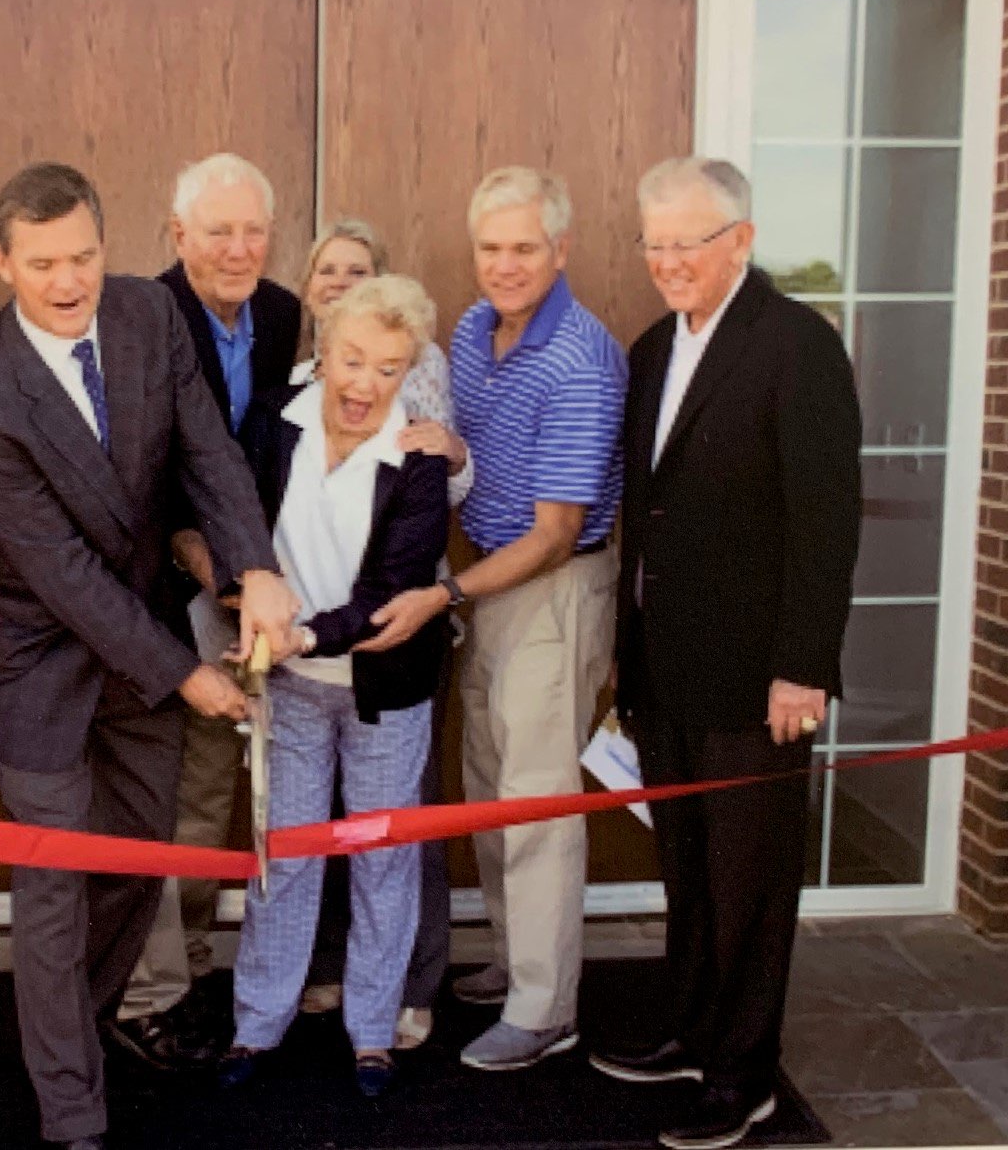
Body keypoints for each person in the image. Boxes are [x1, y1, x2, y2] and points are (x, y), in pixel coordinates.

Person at [0, 162, 298, 1150]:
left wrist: (254, 565)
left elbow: (206, 452)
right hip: (44, 667)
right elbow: (63, 578)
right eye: (44, 263)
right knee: (54, 897)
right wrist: (189, 674)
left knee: (138, 871)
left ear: (107, 245)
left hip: (139, 647)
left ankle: (74, 1038)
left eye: (84, 256)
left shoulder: (146, 314)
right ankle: (71, 1118)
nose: (68, 281)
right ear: (3, 262)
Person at [592, 157, 860, 1150]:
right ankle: (694, 1031)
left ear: (739, 241)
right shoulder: (656, 346)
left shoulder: (798, 346)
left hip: (758, 680)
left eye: (685, 245)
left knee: (752, 883)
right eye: (653, 244)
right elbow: (647, 513)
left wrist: (804, 666)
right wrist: (629, 651)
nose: (666, 264)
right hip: (664, 669)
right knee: (690, 869)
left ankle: (744, 1075)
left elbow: (826, 525)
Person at [360, 166, 627, 1071]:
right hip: (488, 581)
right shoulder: (473, 330)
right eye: (490, 247)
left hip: (548, 587)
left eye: (524, 247)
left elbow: (555, 533)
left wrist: (447, 594)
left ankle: (548, 1006)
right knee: (489, 782)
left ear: (561, 249)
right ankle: (517, 964)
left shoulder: (582, 357)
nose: (504, 265)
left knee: (538, 799)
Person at [215, 276, 451, 1099]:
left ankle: (373, 1035)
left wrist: (307, 632)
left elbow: (396, 589)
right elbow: (231, 523)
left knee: (384, 861)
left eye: (389, 368)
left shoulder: (418, 457)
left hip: (381, 685)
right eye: (352, 359)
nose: (364, 384)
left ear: (409, 372)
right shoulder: (271, 420)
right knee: (282, 857)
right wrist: (246, 604)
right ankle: (257, 1024)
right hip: (287, 688)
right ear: (324, 349)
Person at [117, 153, 302, 1062]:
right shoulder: (145, 318)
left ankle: (189, 959)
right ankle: (152, 986)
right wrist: (210, 567)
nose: (238, 248)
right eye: (216, 230)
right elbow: (146, 472)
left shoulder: (279, 313)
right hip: (158, 579)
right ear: (178, 234)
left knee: (211, 782)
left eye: (253, 230)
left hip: (242, 579)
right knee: (163, 780)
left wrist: (250, 574)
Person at [289, 220, 469, 1050]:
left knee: (393, 834)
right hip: (305, 672)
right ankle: (323, 976)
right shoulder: (292, 392)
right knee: (316, 830)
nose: (340, 281)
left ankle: (404, 987)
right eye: (328, 271)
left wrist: (451, 454)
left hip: (387, 642)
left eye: (358, 271)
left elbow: (437, 482)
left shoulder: (417, 373)